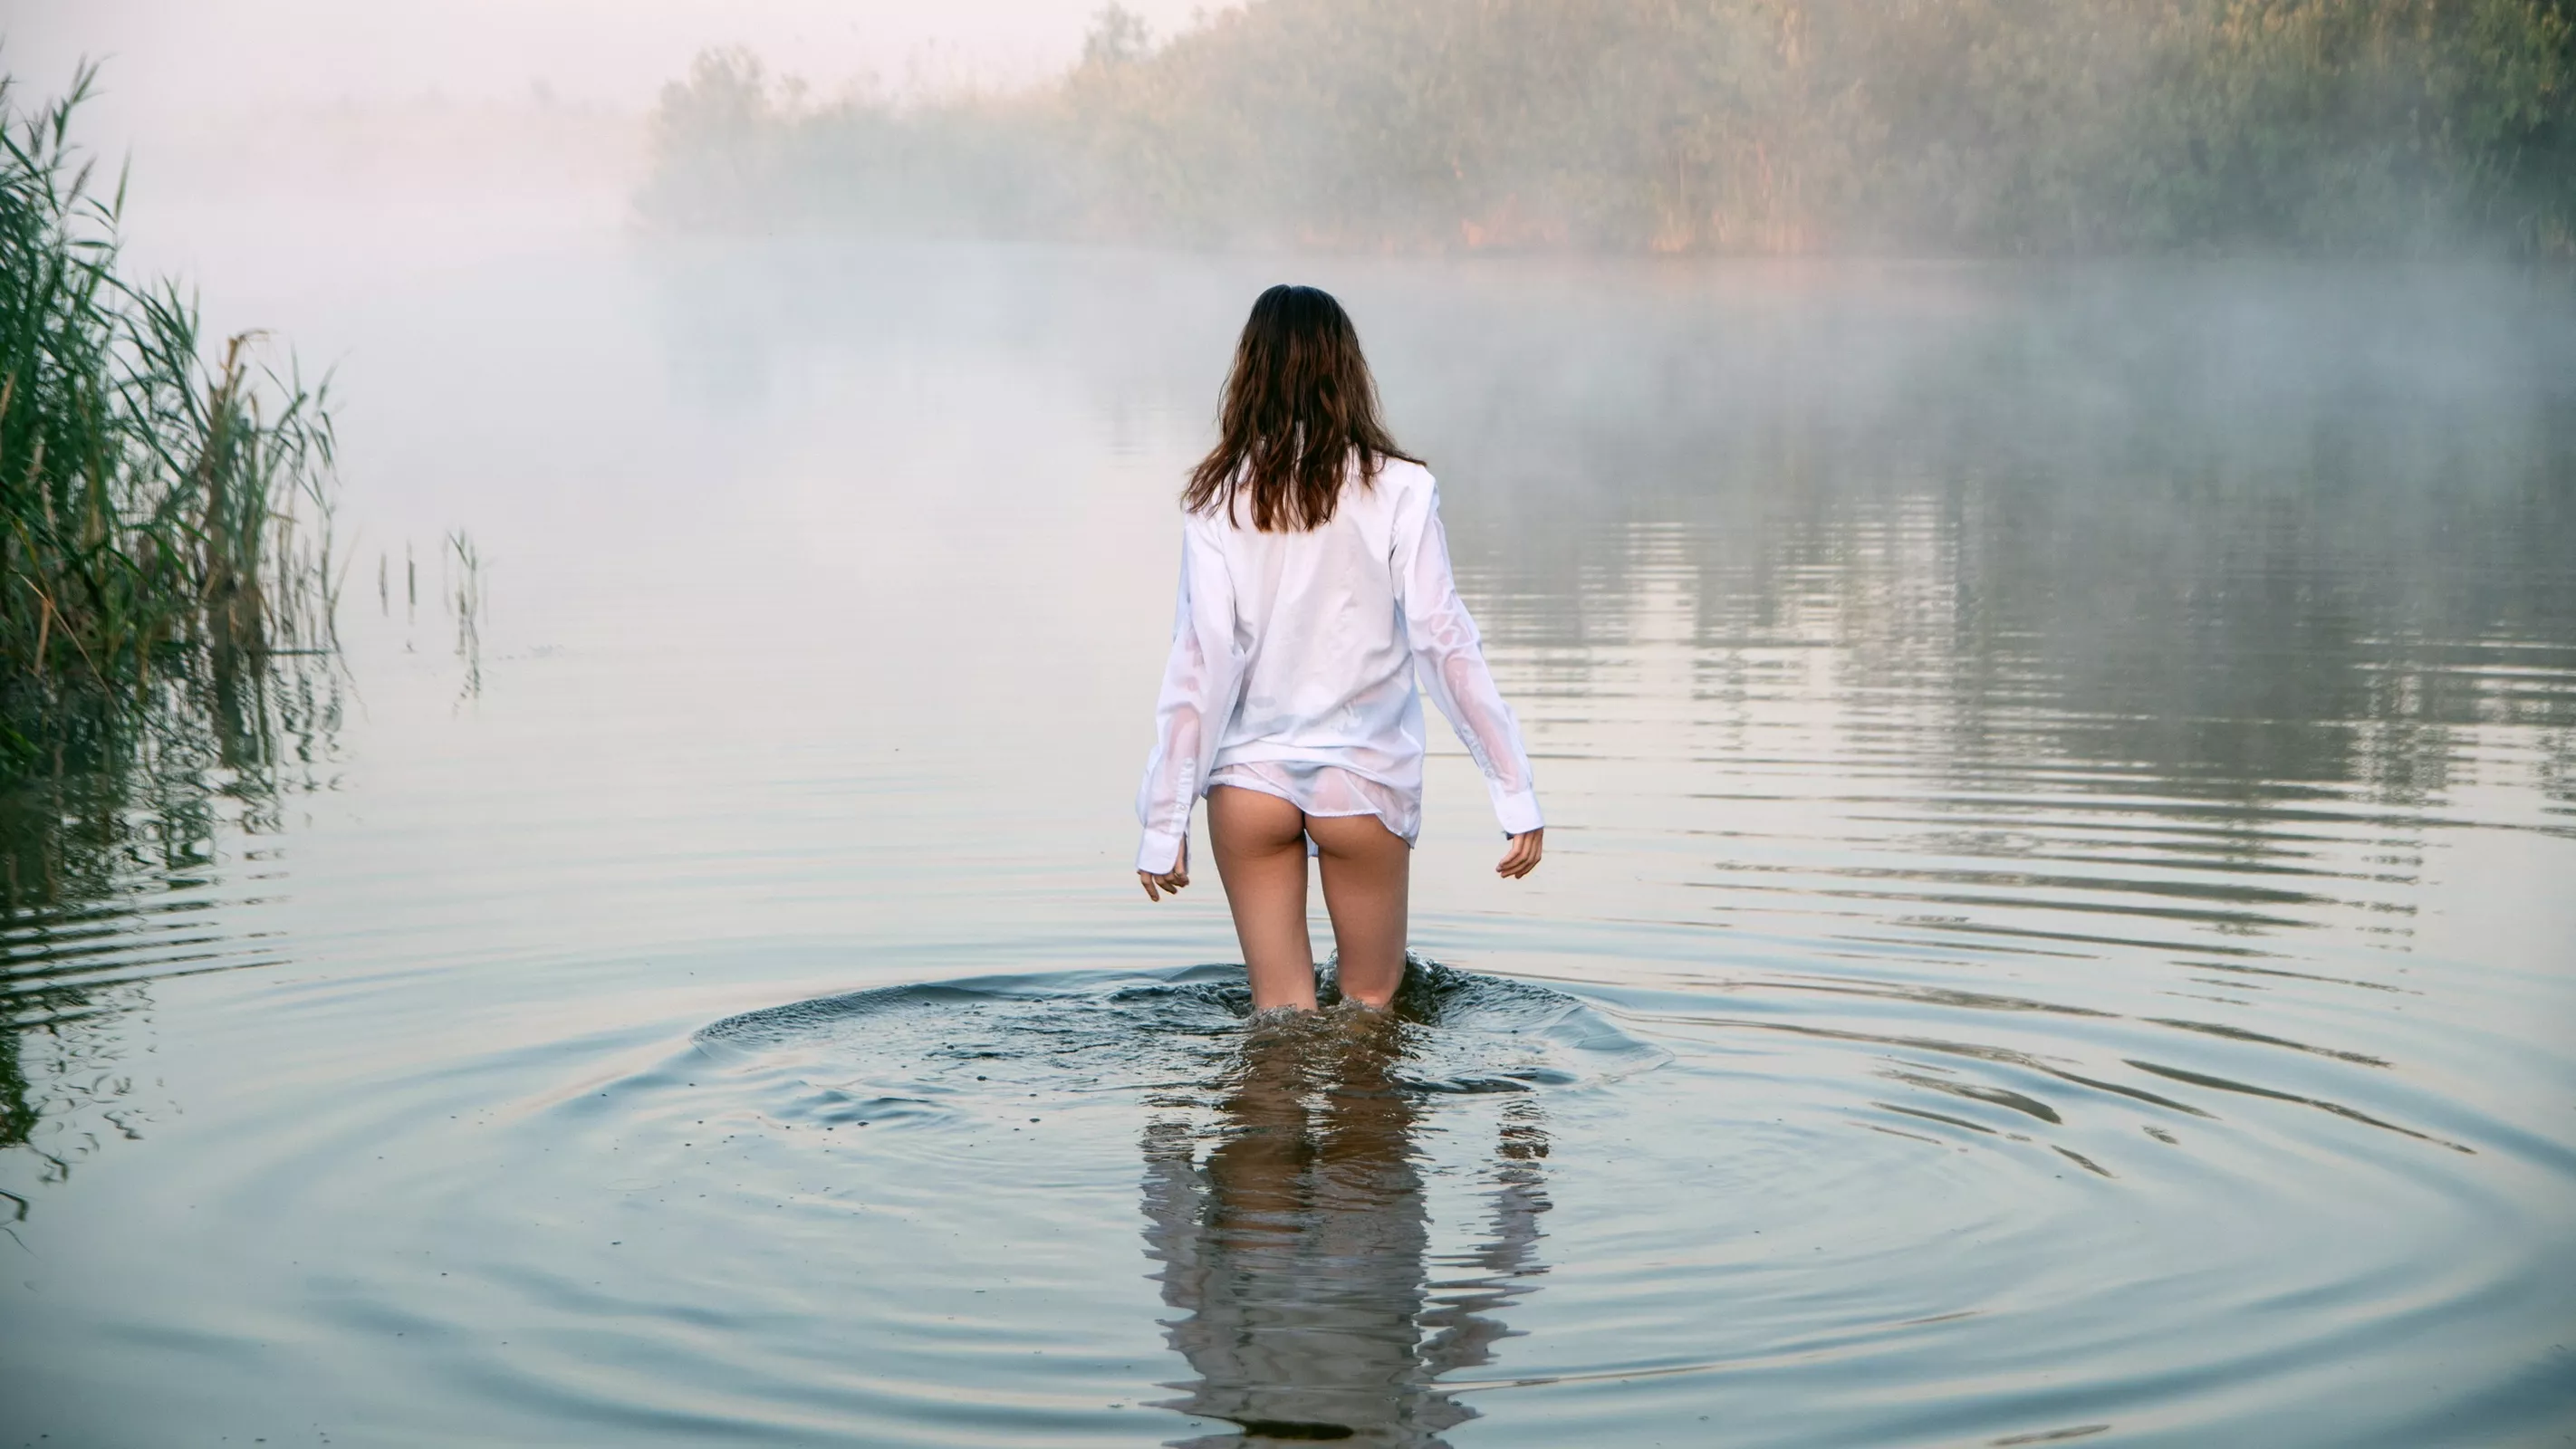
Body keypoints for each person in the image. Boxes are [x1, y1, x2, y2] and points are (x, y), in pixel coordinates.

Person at [1132, 283, 1545, 1012]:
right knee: (1370, 1006)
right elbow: (1443, 641)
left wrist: (1164, 822)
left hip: (1248, 781)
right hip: (1361, 781)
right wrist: (1513, 789)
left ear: (1248, 373)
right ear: (1348, 372)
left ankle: (1267, 1115)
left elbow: (1200, 665)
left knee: (1280, 1017)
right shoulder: (1402, 489)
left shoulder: (1215, 498)